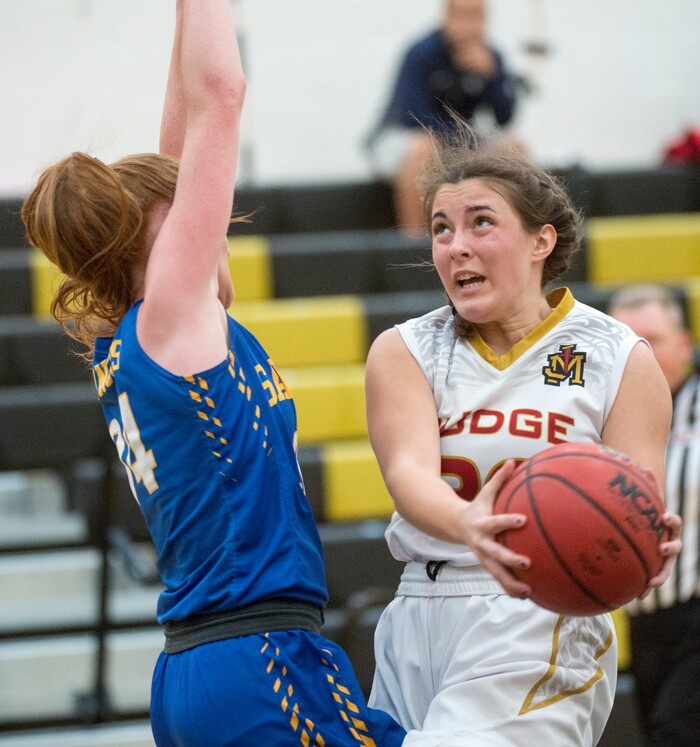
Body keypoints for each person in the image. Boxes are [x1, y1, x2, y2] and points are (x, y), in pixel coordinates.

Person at [20, 2, 407, 745]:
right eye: (201, 214)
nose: (216, 225)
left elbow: (188, 126)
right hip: (259, 660)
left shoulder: (140, 334)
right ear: (163, 235)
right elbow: (221, 94)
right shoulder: (171, 317)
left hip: (203, 665)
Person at [363, 125, 683, 746]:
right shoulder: (404, 348)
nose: (456, 246)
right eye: (440, 228)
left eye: (481, 222)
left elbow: (639, 498)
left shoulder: (620, 356)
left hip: (541, 612)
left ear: (542, 240)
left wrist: (646, 540)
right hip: (415, 612)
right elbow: (407, 476)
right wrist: (468, 527)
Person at [608, 284, 700, 747]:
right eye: (627, 341)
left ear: (684, 344)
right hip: (642, 617)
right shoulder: (599, 420)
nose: (640, 352)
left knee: (674, 733)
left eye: (653, 339)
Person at [367, 0, 520, 235]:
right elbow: (415, 119)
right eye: (462, 16)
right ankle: (416, 247)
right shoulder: (421, 53)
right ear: (446, 18)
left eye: (477, 17)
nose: (470, 26)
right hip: (402, 139)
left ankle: (508, 240)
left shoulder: (490, 57)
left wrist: (492, 78)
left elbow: (505, 117)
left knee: (515, 148)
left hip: (461, 142)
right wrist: (469, 144)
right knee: (423, 150)